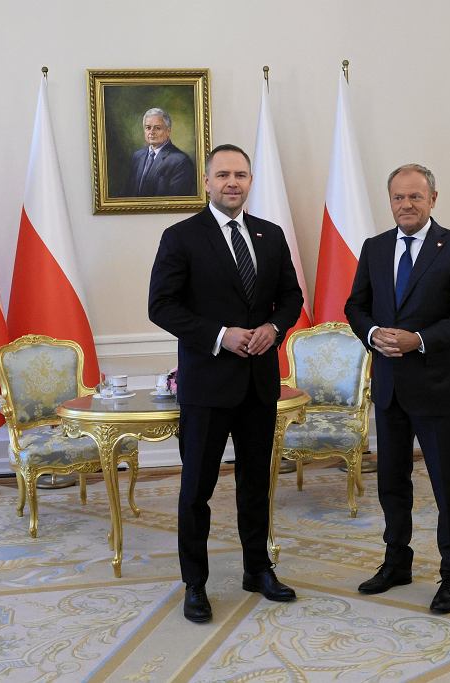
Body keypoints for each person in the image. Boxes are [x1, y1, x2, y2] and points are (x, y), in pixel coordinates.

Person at [148, 144, 304, 623]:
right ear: (207, 183)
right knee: (197, 490)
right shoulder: (181, 237)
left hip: (259, 384)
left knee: (256, 484)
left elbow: (291, 297)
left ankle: (258, 569)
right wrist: (220, 335)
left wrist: (274, 328)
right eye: (223, 175)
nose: (232, 182)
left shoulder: (270, 234)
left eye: (240, 174)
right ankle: (195, 583)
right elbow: (161, 306)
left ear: (250, 181)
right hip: (207, 386)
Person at [344, 163, 450, 614]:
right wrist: (373, 334)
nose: (406, 205)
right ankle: (396, 562)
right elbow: (355, 306)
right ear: (390, 201)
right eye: (398, 197)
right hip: (389, 387)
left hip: (437, 387)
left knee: (447, 485)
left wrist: (419, 340)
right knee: (391, 481)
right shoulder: (374, 247)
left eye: (415, 197)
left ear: (432, 199)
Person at [123, 107, 196, 197]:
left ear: (168, 131)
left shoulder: (180, 161)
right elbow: (128, 192)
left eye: (157, 128)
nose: (151, 132)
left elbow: (176, 199)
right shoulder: (137, 156)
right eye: (148, 128)